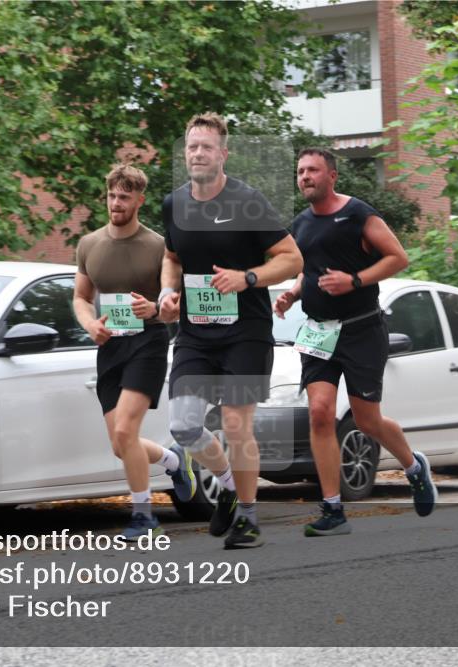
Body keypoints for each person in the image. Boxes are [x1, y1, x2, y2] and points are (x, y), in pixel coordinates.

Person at [157, 112, 303, 549]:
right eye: (191, 146)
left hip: (246, 331)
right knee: (183, 426)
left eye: (206, 147)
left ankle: (249, 518)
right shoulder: (174, 204)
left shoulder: (248, 201)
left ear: (223, 154)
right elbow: (172, 258)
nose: (198, 153)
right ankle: (226, 486)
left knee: (237, 424)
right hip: (196, 332)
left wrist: (249, 278)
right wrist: (167, 292)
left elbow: (291, 258)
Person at [274, 148, 437, 537]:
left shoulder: (359, 214)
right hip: (317, 331)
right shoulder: (300, 224)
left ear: (332, 175)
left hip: (361, 329)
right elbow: (309, 272)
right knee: (319, 412)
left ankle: (414, 466)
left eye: (312, 170)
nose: (305, 177)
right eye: (300, 171)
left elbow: (398, 257)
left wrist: (355, 280)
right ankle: (332, 509)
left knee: (366, 420)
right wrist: (293, 294)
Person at [73, 164, 197, 539]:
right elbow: (80, 298)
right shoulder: (89, 245)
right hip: (110, 347)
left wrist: (156, 308)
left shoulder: (158, 245)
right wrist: (90, 324)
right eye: (112, 195)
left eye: (125, 197)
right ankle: (175, 461)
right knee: (119, 444)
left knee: (127, 429)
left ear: (139, 200)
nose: (116, 203)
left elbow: (175, 297)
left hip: (149, 341)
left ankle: (143, 515)